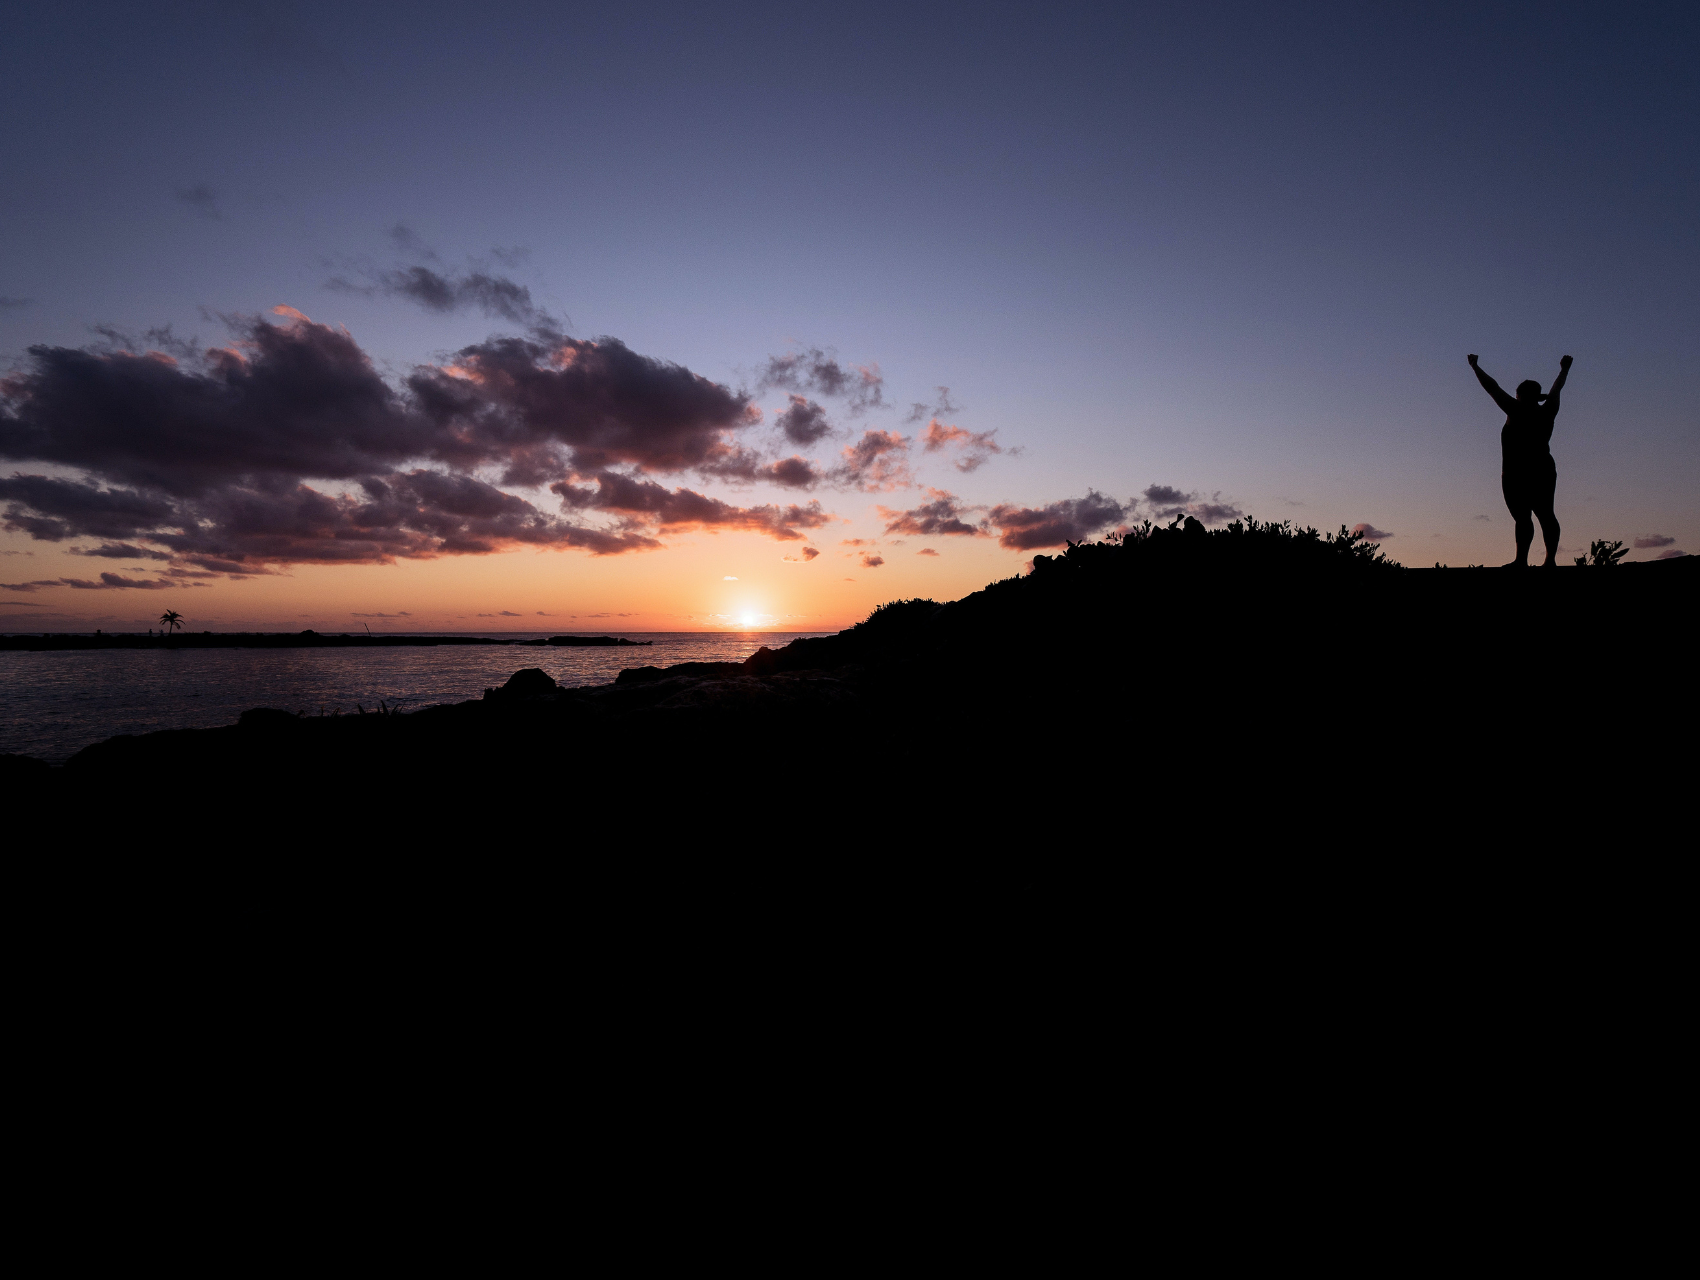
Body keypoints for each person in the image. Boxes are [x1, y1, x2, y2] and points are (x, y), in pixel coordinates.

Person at [1469, 353, 1572, 567]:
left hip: (1516, 473)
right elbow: (1557, 389)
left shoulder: (1515, 410)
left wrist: (1475, 367)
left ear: (1518, 396)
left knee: (1525, 518)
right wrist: (1564, 369)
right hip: (1542, 469)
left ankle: (1523, 561)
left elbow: (1492, 387)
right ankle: (1547, 560)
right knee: (1545, 515)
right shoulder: (1549, 410)